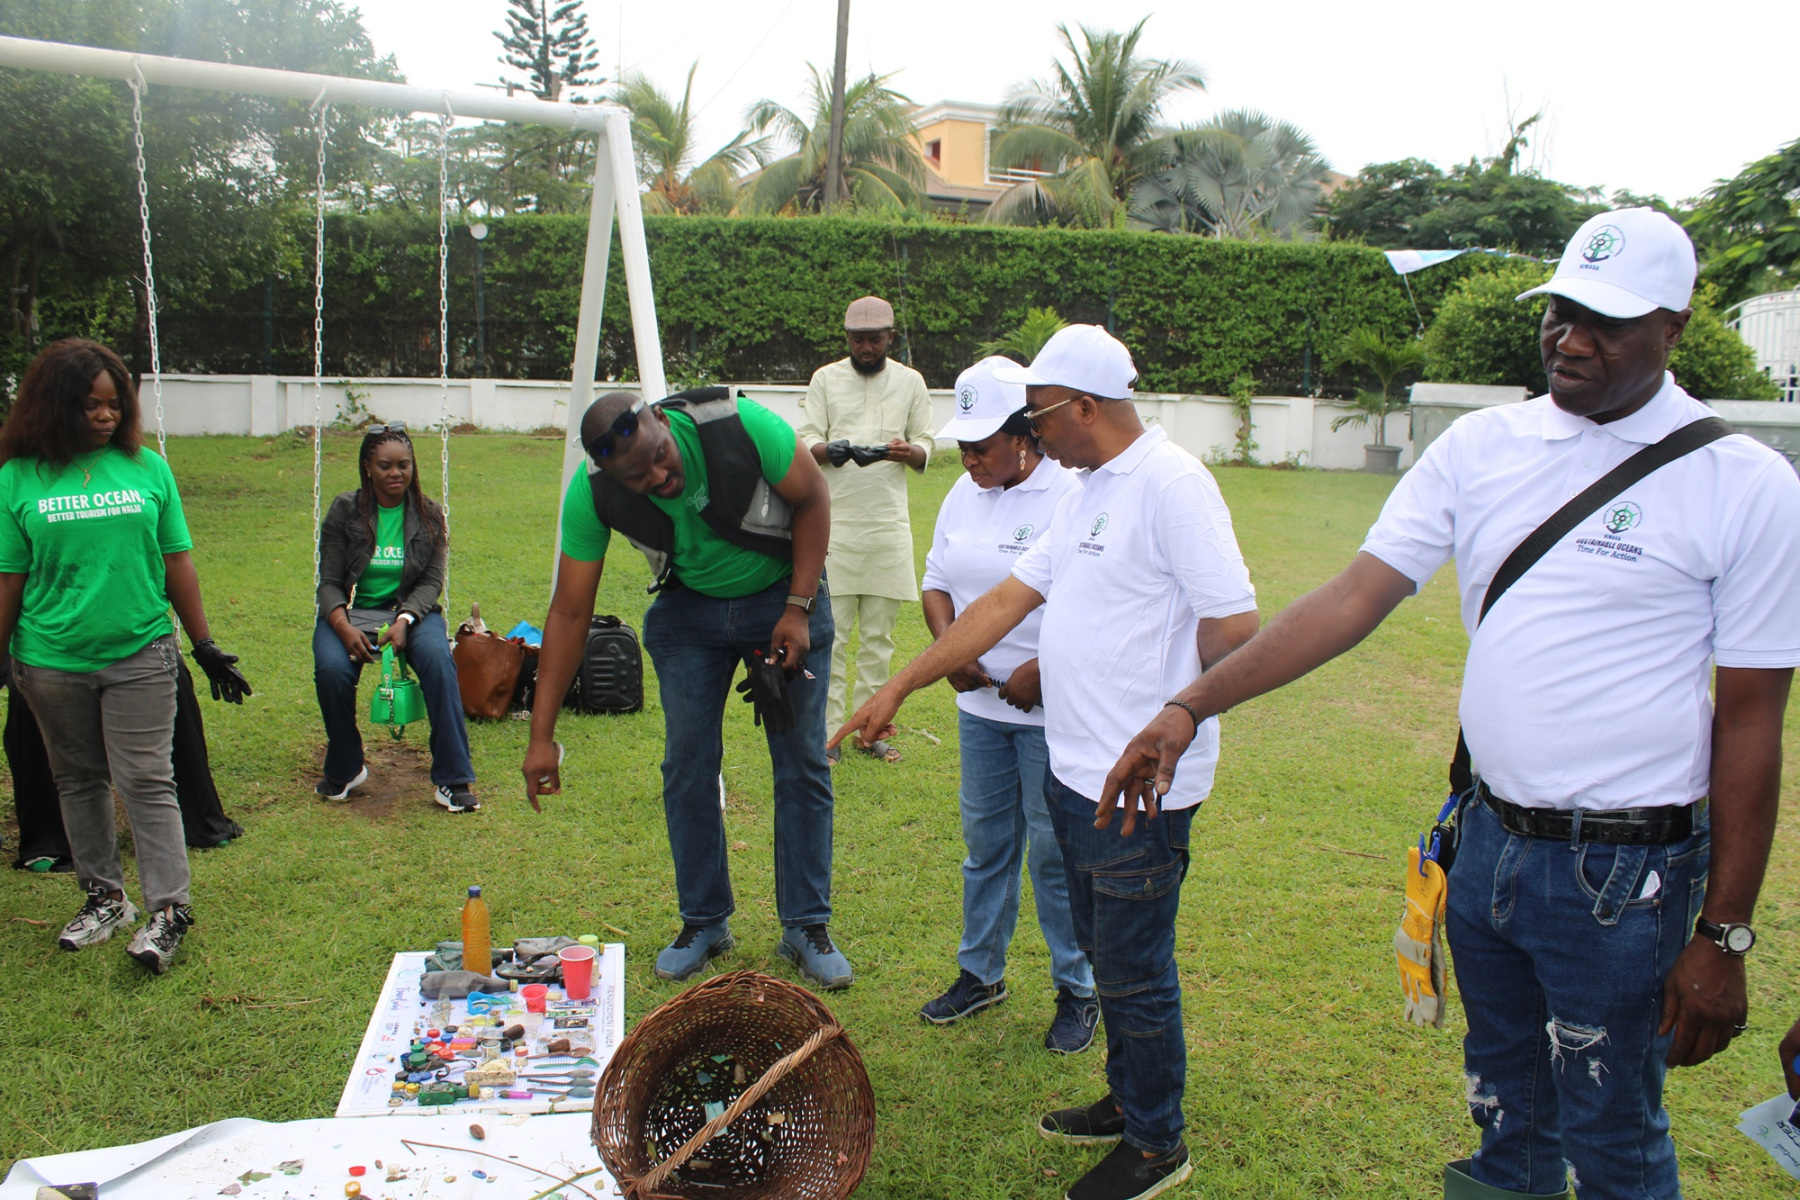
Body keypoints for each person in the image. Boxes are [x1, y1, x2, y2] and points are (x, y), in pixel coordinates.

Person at [1099, 209, 1800, 1200]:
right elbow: (1353, 598)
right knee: (1504, 1111)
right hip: (1486, 846)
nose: (1571, 340)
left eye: (1607, 322)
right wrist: (1189, 706)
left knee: (1613, 1137)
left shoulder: (1746, 483)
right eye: (1560, 312)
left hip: (1623, 877)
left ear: (1674, 327)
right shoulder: (1483, 446)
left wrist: (1724, 933)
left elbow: (1752, 721)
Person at [835, 325, 1260, 1200]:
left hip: (1138, 785)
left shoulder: (1173, 484)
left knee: (1136, 969)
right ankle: (1129, 1099)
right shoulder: (1087, 489)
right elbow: (1004, 600)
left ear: (1086, 408)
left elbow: (1235, 629)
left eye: (1038, 416)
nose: (1031, 432)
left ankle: (1158, 1145)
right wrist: (904, 684)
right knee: (1108, 953)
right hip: (1075, 771)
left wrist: (1179, 719)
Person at [522, 388, 850, 989]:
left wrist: (798, 607)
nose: (657, 477)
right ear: (609, 475)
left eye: (659, 457)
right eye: (636, 477)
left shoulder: (740, 424)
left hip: (781, 595)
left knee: (801, 760)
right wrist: (542, 736)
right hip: (688, 612)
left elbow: (813, 497)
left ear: (660, 419)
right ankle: (704, 921)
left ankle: (807, 925)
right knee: (687, 765)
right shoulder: (591, 494)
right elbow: (569, 613)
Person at [0, 338, 250, 974]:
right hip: (50, 659)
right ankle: (105, 898)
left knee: (146, 778)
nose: (106, 415)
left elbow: (177, 560)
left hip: (141, 650)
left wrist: (203, 643)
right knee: (77, 778)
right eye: (90, 405)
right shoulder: (18, 476)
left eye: (114, 404)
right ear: (55, 405)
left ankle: (169, 910)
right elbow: (9, 576)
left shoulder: (147, 468)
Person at [917, 356, 1097, 1052]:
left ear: (1024, 435)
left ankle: (1078, 989)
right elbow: (936, 581)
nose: (968, 458)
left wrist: (1045, 670)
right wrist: (951, 649)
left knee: (1055, 856)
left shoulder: (1069, 494)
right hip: (981, 712)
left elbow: (1093, 603)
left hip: (1053, 715)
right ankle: (980, 974)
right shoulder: (963, 493)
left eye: (981, 445)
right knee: (986, 847)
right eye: (961, 445)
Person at [797, 295, 934, 763]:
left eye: (874, 339)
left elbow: (926, 441)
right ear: (847, 338)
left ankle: (870, 732)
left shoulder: (911, 382)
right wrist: (828, 450)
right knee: (831, 639)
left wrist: (909, 452)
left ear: (890, 337)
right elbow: (806, 437)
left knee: (879, 640)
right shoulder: (826, 378)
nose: (866, 348)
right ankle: (829, 736)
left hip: (887, 526)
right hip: (833, 525)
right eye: (858, 340)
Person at [314, 422, 476, 812]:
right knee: (332, 670)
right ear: (367, 467)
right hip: (352, 614)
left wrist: (404, 620)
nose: (395, 473)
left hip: (411, 614)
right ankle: (346, 767)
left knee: (439, 661)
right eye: (385, 465)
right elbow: (330, 582)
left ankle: (453, 778)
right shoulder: (344, 510)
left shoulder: (429, 514)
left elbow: (431, 581)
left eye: (403, 465)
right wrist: (342, 626)